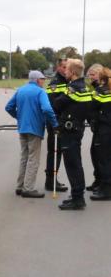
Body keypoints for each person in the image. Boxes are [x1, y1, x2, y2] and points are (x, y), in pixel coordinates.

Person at [5, 71, 58, 198]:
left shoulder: (20, 90)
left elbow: (8, 107)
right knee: (33, 159)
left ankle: (20, 186)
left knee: (24, 157)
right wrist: (55, 123)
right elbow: (46, 108)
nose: (44, 81)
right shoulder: (40, 92)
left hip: (22, 128)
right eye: (42, 79)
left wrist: (19, 117)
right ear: (37, 80)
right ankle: (28, 188)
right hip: (35, 129)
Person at [53, 59, 92, 210]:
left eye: (67, 70)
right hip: (77, 129)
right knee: (77, 163)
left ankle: (78, 199)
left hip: (69, 131)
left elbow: (57, 104)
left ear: (73, 72)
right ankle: (77, 194)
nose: (65, 72)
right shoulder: (85, 87)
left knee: (72, 165)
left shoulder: (73, 89)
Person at [44, 57, 69, 192]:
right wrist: (56, 124)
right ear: (58, 67)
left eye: (68, 67)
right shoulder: (56, 83)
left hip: (60, 122)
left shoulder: (66, 82)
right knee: (54, 152)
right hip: (55, 122)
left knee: (58, 152)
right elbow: (53, 105)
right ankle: (50, 181)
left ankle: (52, 179)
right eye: (64, 67)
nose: (66, 70)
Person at [88, 67, 111, 200]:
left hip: (103, 129)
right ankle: (104, 186)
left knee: (102, 159)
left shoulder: (99, 92)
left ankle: (106, 190)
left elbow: (90, 108)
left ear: (101, 78)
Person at [86, 64, 104, 192]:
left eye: (93, 74)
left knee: (101, 156)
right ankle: (98, 181)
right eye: (89, 75)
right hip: (97, 127)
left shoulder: (103, 89)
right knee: (94, 154)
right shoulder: (95, 88)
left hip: (103, 127)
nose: (90, 77)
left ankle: (103, 183)